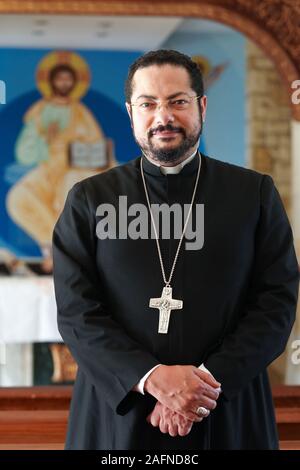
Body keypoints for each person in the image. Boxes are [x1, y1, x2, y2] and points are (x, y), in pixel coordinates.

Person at [52, 49, 299, 450]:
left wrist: (201, 388)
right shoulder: (90, 200)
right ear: (131, 112)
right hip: (121, 411)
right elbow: (77, 311)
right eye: (148, 104)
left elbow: (276, 304)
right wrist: (152, 378)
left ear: (201, 106)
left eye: (178, 101)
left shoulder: (252, 195)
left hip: (226, 408)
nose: (163, 116)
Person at [6, 53, 115, 263]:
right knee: (18, 198)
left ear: (74, 82)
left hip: (77, 169)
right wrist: (45, 138)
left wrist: (93, 153)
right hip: (49, 168)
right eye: (59, 78)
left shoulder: (81, 113)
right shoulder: (39, 112)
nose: (63, 83)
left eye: (68, 79)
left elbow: (97, 147)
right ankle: (55, 245)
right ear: (51, 82)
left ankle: (71, 249)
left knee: (72, 192)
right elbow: (24, 153)